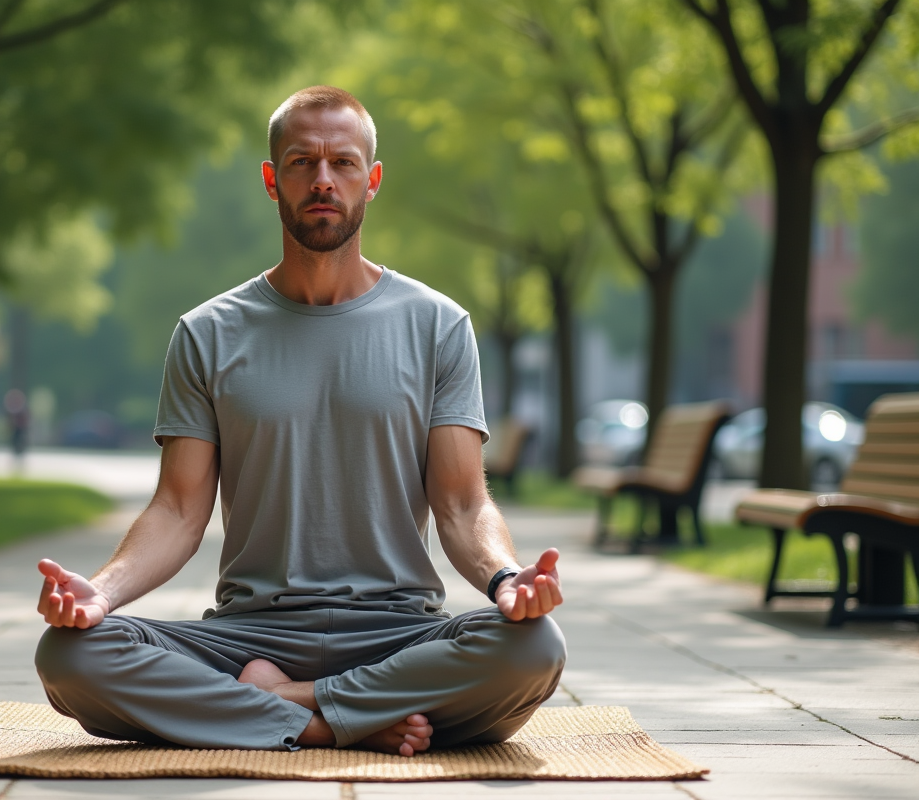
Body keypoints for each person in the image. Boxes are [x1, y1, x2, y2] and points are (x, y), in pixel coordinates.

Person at [34, 86, 566, 757]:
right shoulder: (206, 334)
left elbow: (462, 504)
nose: (322, 180)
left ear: (372, 180)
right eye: (301, 162)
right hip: (251, 634)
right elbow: (178, 510)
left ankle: (278, 705)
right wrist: (101, 594)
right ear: (271, 179)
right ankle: (344, 721)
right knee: (71, 655)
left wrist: (507, 579)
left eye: (343, 163)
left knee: (534, 648)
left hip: (397, 632)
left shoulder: (438, 325)